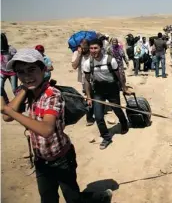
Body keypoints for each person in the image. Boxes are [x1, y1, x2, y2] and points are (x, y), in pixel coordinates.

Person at [1, 48, 112, 203]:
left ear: (43, 69)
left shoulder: (52, 94)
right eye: (21, 72)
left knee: (73, 198)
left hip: (62, 160)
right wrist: (24, 90)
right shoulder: (26, 92)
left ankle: (101, 197)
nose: (27, 76)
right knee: (47, 198)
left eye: (31, 70)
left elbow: (46, 129)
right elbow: (6, 117)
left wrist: (9, 110)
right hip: (41, 160)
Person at [83, 38, 132, 150]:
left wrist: (123, 87)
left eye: (96, 48)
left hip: (112, 89)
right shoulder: (88, 63)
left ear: (101, 48)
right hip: (98, 90)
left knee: (117, 109)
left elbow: (119, 75)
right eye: (91, 48)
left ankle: (124, 123)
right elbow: (86, 80)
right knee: (99, 116)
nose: (93, 50)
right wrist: (89, 96)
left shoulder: (110, 60)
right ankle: (106, 137)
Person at [71, 39, 95, 126]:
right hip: (84, 80)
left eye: (86, 48)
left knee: (95, 96)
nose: (84, 50)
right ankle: (89, 118)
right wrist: (80, 55)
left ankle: (96, 113)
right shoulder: (76, 53)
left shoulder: (92, 52)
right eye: (82, 48)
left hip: (95, 79)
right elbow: (74, 66)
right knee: (89, 97)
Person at [1, 33, 17, 104]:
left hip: (12, 72)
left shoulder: (11, 49)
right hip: (2, 71)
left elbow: (17, 58)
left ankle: (19, 103)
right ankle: (7, 102)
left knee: (14, 89)